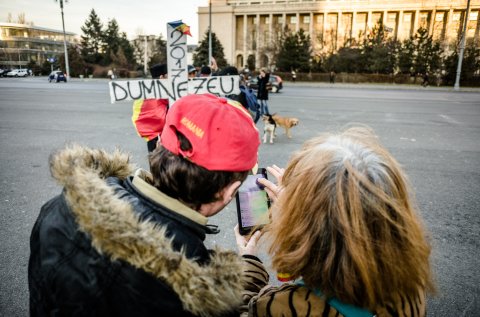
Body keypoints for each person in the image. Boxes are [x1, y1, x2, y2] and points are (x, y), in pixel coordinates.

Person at [28, 93, 261, 316]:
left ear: (159, 143)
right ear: (229, 191)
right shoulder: (199, 290)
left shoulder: (62, 205)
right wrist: (249, 264)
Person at [237, 126, 435, 316]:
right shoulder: (412, 283)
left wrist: (250, 263)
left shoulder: (282, 307)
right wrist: (297, 210)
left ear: (309, 231)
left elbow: (242, 310)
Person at [132, 63, 169, 153]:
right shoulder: (154, 95)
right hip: (158, 136)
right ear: (162, 77)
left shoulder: (148, 93)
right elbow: (160, 117)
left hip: (154, 136)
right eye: (168, 76)